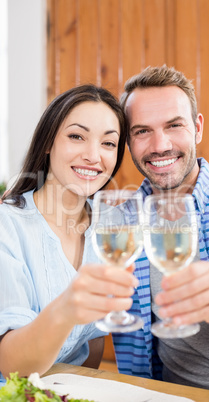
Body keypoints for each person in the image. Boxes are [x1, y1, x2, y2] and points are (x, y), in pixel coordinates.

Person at [112, 65, 209, 399]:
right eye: (142, 131)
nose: (160, 145)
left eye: (174, 125)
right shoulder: (120, 221)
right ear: (128, 142)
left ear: (197, 128)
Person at [0, 84, 138, 384]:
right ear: (48, 141)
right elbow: (11, 365)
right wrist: (67, 307)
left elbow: (91, 343)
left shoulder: (109, 226)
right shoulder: (7, 226)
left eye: (108, 143)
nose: (93, 156)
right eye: (77, 136)